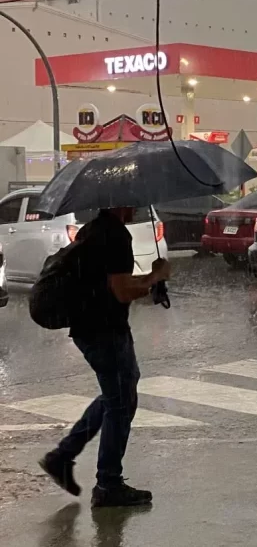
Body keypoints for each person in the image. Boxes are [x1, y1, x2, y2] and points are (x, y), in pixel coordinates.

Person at [38, 207, 171, 508]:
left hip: (90, 327)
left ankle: (63, 456)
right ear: (120, 202)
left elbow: (110, 280)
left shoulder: (94, 230)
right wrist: (155, 276)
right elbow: (122, 292)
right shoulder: (115, 235)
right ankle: (108, 483)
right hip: (104, 330)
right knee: (121, 401)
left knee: (118, 395)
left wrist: (150, 279)